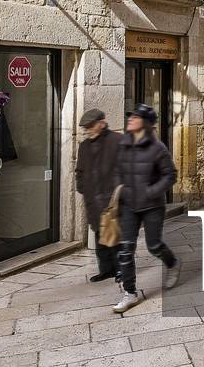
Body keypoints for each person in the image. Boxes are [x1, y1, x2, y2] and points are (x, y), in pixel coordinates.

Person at [113, 103, 180, 313]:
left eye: (135, 117)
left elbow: (171, 175)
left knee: (154, 245)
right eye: (130, 116)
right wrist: (121, 191)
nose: (130, 119)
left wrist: (151, 192)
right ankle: (130, 293)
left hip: (152, 206)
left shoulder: (157, 148)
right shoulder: (124, 144)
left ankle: (172, 263)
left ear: (146, 123)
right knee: (126, 249)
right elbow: (117, 172)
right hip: (129, 206)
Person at [75, 108, 122, 282]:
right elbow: (80, 170)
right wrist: (82, 187)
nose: (88, 130)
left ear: (102, 124)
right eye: (86, 127)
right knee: (99, 236)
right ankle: (106, 270)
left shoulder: (118, 141)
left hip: (112, 199)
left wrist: (120, 190)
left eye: (91, 126)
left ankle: (121, 270)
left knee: (116, 236)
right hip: (92, 199)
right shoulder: (84, 146)